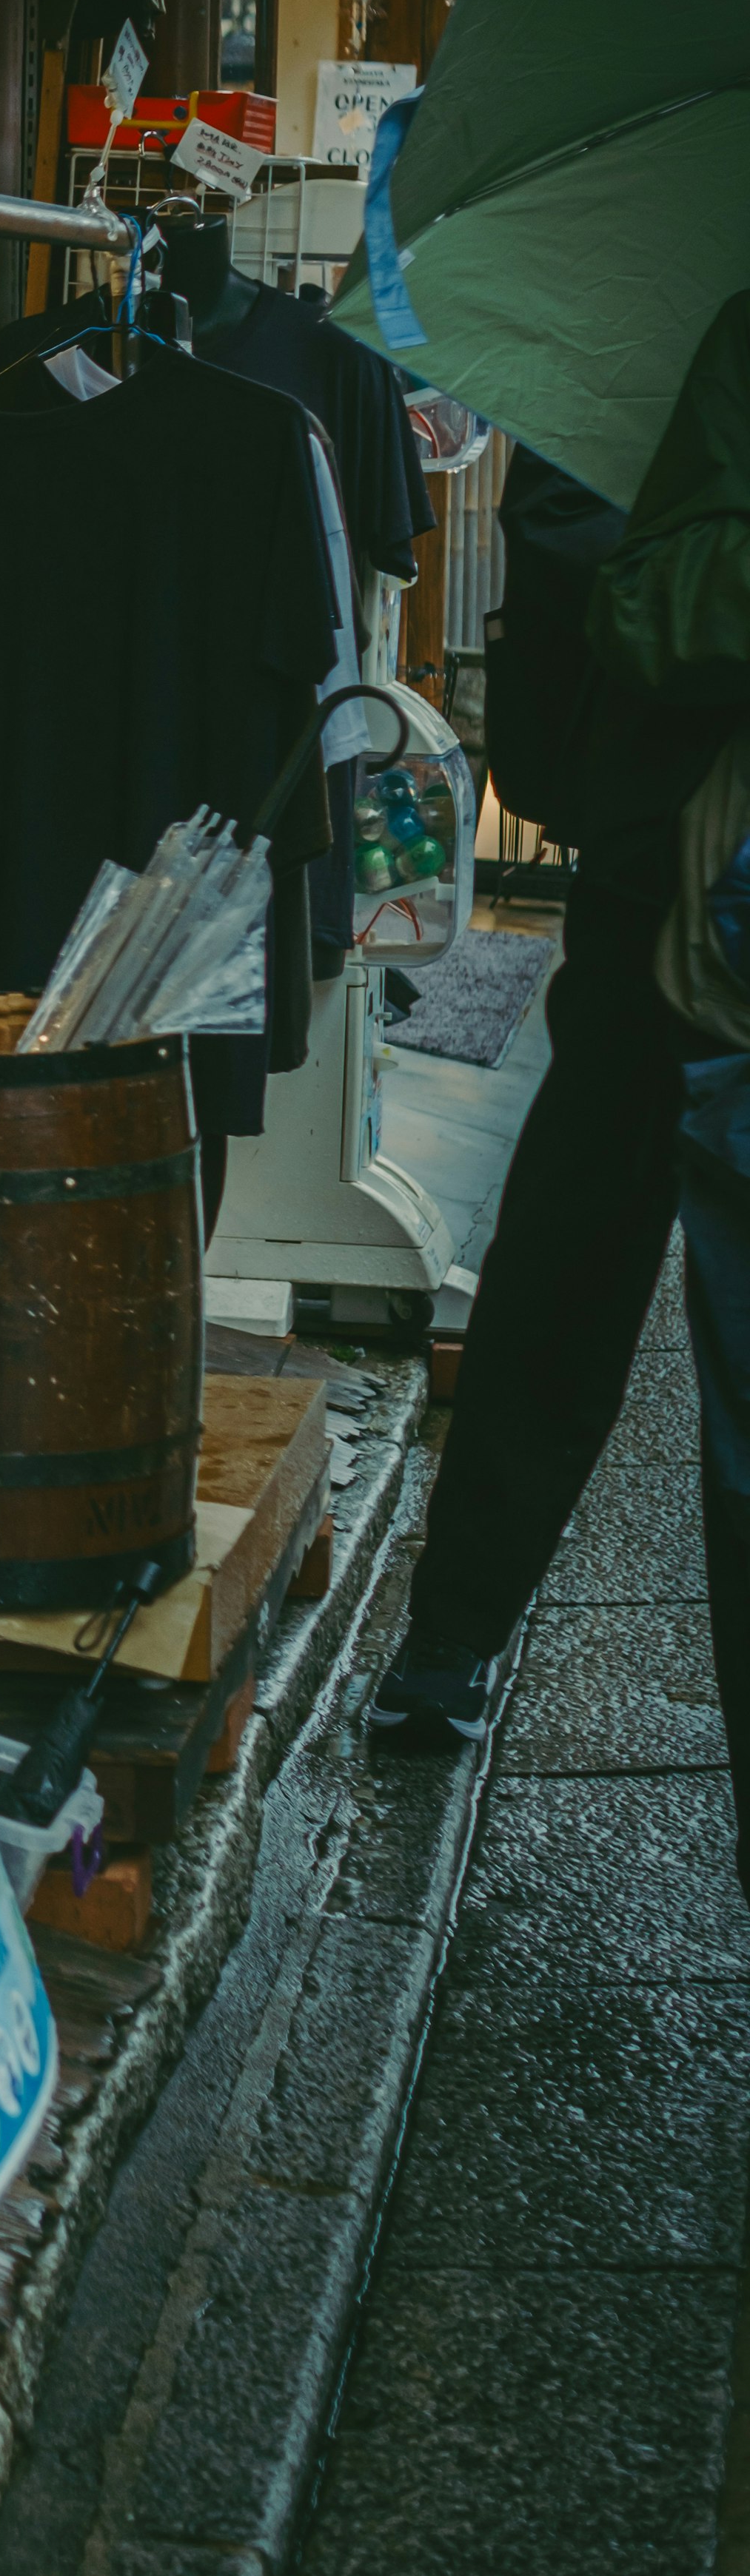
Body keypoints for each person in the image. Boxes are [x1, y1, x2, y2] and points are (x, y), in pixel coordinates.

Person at [373, 418, 740, 1744]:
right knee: (577, 1246)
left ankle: (453, 1631)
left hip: (669, 837)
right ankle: (455, 1624)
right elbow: (590, 561)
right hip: (666, 872)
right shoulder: (668, 345)